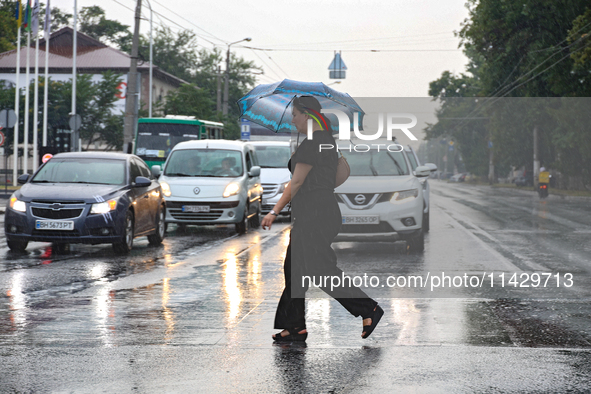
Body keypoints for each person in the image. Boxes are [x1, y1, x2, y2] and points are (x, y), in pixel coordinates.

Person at [261, 96, 383, 342]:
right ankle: (295, 326)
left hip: (315, 214)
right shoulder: (325, 142)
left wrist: (274, 211)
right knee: (294, 270)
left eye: (295, 114)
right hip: (319, 210)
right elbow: (336, 177)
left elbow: (296, 182)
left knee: (319, 270)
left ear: (307, 115)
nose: (293, 120)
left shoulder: (313, 144)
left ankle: (367, 308)